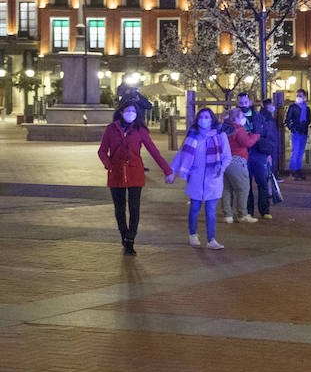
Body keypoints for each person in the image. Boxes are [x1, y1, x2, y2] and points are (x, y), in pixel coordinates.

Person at [98, 98, 174, 255]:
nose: (131, 114)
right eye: (128, 111)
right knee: (120, 209)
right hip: (116, 173)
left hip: (134, 173)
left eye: (133, 111)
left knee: (134, 208)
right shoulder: (111, 129)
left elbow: (154, 151)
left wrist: (167, 170)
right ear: (121, 112)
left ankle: (131, 239)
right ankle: (124, 235)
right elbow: (102, 151)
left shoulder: (140, 130)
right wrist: (108, 164)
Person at [170, 107, 231, 249]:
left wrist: (221, 169)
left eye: (207, 116)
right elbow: (181, 155)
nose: (204, 119)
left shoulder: (220, 135)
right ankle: (192, 234)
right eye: (201, 116)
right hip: (195, 177)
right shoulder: (192, 136)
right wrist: (172, 171)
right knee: (194, 208)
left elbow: (227, 156)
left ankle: (211, 239)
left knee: (211, 211)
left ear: (212, 119)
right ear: (197, 120)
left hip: (213, 177)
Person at [219, 107, 260, 224]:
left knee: (227, 189)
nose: (243, 119)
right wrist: (255, 135)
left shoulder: (224, 128)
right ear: (236, 118)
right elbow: (247, 142)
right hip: (237, 160)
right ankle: (242, 213)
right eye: (242, 117)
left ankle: (228, 215)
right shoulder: (238, 129)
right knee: (243, 188)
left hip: (224, 161)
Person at [248, 101, 279, 220]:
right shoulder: (242, 117)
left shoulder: (262, 118)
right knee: (249, 185)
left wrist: (268, 153)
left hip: (259, 153)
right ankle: (249, 211)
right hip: (250, 154)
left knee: (262, 183)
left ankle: (263, 209)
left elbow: (269, 137)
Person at [285, 89, 311, 180]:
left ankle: (298, 169)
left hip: (303, 132)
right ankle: (293, 171)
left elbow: (308, 120)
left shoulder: (307, 108)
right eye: (297, 95)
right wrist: (292, 128)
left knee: (300, 152)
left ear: (305, 97)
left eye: (300, 96)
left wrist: (305, 125)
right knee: (295, 151)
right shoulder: (293, 107)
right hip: (296, 132)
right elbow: (288, 120)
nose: (298, 97)